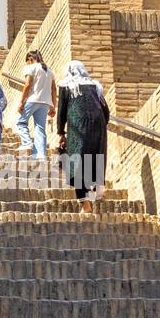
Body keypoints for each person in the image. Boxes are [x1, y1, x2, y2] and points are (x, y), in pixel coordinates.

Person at [54, 60, 110, 216]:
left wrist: (60, 133)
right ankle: (95, 191)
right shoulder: (95, 86)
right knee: (95, 158)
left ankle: (86, 205)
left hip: (78, 125)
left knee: (76, 163)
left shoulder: (66, 85)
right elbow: (106, 111)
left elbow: (62, 111)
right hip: (98, 124)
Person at [16, 50, 57, 160]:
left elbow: (28, 84)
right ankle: (41, 154)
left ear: (30, 59)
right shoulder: (50, 71)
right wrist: (53, 106)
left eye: (27, 61)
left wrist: (21, 101)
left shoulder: (31, 67)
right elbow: (54, 89)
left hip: (32, 100)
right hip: (45, 103)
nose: (27, 64)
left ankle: (27, 143)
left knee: (20, 122)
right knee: (40, 128)